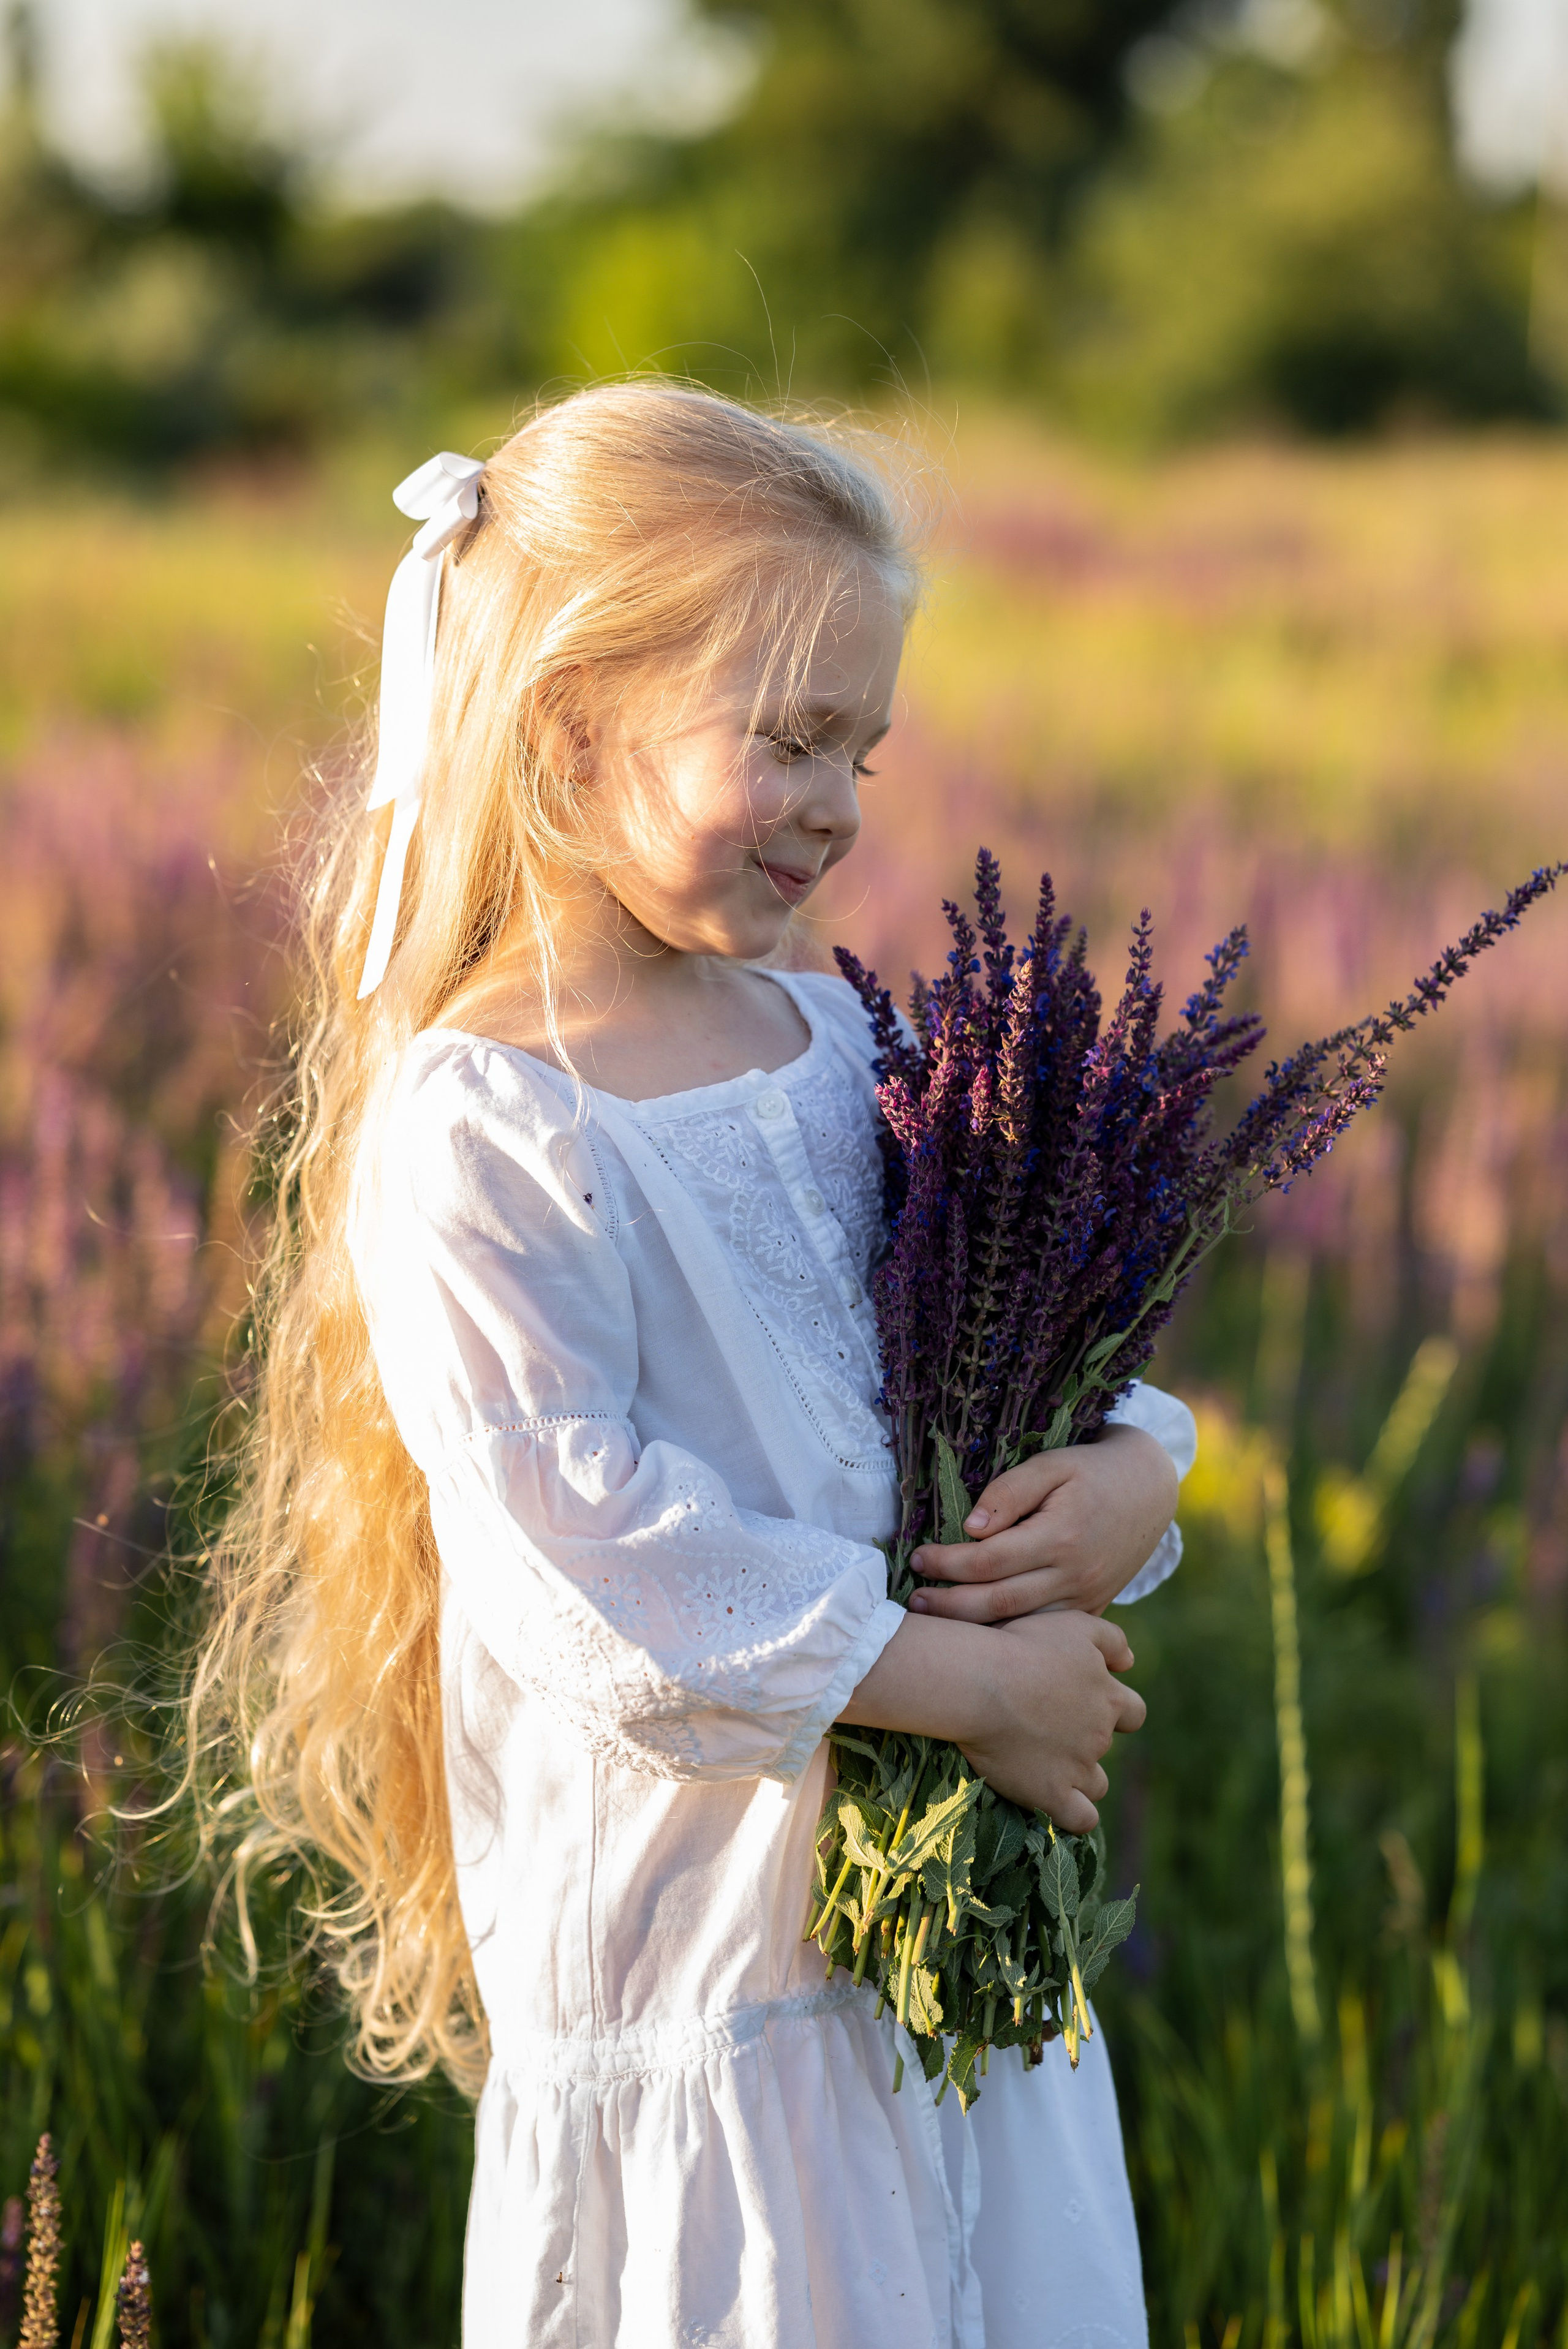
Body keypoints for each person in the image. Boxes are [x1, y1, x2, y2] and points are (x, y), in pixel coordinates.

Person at [194, 383, 1196, 2349]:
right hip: (712, 1971)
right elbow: (589, 1557)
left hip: (928, 1981)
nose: (841, 803)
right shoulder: (491, 1117)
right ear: (572, 724)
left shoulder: (842, 1036)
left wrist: (1133, 1467)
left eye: (864, 751)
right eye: (790, 736)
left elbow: (1011, 1318)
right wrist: (974, 1686)